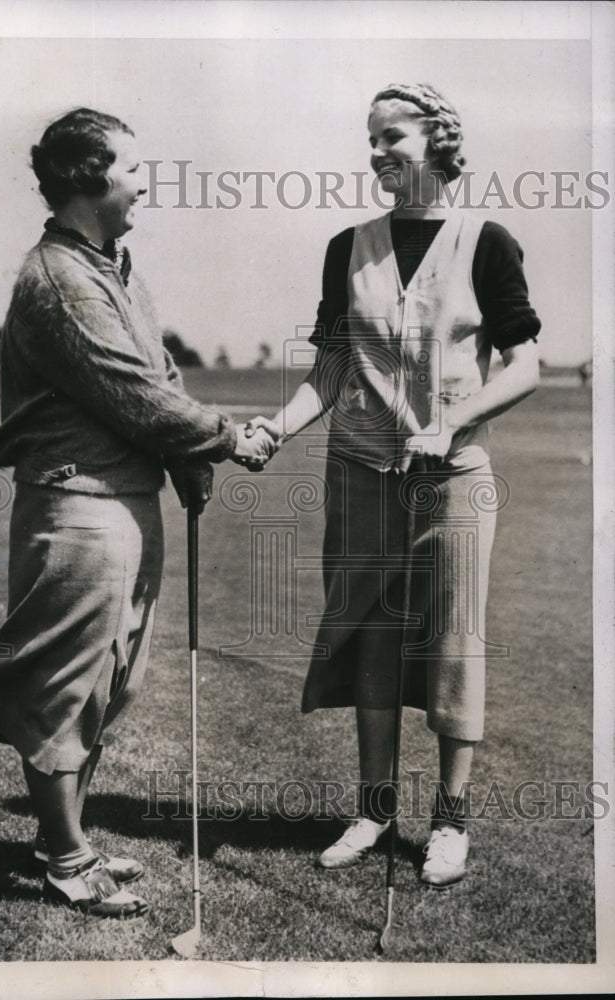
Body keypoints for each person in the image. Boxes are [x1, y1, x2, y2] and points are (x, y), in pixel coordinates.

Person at [0, 108, 273, 919]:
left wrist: (189, 457)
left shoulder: (114, 268)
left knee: (111, 683)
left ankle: (61, 839)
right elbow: (130, 390)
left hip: (127, 499)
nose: (145, 182)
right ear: (87, 177)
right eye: (131, 167)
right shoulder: (58, 278)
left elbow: (161, 374)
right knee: (65, 686)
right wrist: (224, 438)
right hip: (79, 504)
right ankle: (66, 855)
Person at [247, 83, 540, 887]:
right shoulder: (347, 246)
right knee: (370, 642)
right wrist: (275, 428)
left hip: (451, 481)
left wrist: (450, 424)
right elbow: (332, 368)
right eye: (369, 139)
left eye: (391, 137)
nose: (376, 152)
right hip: (359, 471)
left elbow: (524, 367)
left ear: (436, 141)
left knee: (451, 642)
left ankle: (449, 822)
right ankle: (375, 811)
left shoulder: (486, 240)